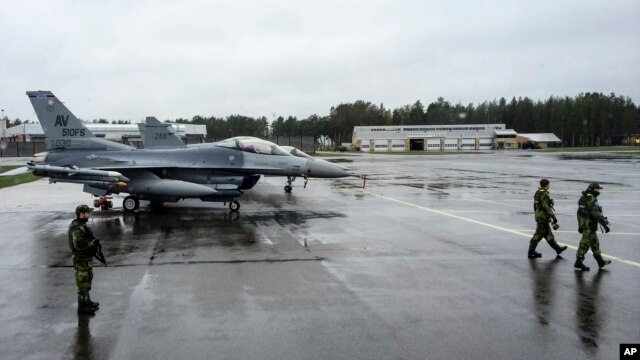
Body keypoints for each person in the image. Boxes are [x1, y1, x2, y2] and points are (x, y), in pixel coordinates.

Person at [68, 204, 100, 315]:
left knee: (87, 280)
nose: (89, 215)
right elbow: (78, 245)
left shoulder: (82, 225)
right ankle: (82, 307)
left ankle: (87, 301)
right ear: (82, 214)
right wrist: (91, 244)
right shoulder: (76, 228)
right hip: (80, 260)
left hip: (86, 259)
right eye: (88, 213)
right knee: (82, 283)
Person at [575, 183, 612, 271]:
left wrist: (580, 224)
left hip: (586, 225)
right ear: (593, 189)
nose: (598, 191)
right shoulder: (591, 198)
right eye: (597, 189)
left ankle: (600, 262)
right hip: (589, 226)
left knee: (595, 243)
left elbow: (579, 212)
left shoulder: (584, 197)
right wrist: (604, 224)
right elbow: (596, 213)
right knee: (584, 244)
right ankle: (578, 262)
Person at [528, 179, 567, 258]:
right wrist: (553, 217)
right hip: (543, 217)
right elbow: (546, 207)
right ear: (546, 185)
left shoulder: (538, 192)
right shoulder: (544, 194)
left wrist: (537, 214)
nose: (549, 186)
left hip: (541, 216)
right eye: (549, 184)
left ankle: (558, 249)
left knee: (548, 235)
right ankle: (531, 251)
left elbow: (535, 205)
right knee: (538, 235)